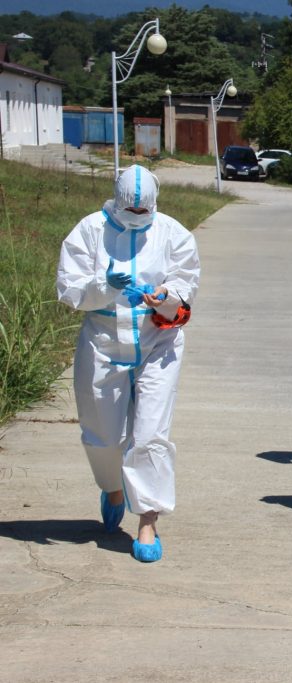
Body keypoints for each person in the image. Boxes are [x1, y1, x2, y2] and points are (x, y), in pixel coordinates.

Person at [56, 165, 200, 563]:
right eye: (129, 210)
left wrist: (165, 295)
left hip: (159, 340)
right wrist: (103, 287)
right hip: (104, 340)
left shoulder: (173, 232)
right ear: (116, 202)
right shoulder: (88, 230)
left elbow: (187, 280)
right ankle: (112, 487)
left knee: (150, 431)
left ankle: (148, 520)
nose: (137, 217)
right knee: (102, 432)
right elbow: (69, 289)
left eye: (144, 211)